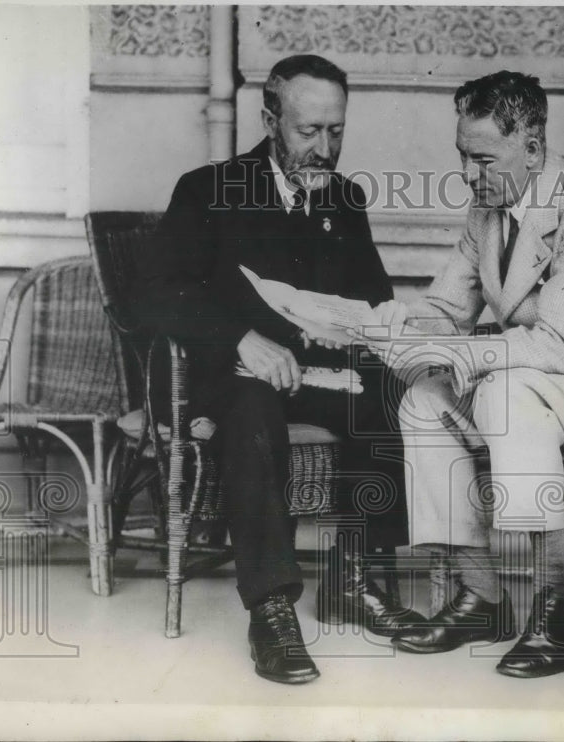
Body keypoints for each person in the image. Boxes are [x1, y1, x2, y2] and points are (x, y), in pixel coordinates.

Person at [355, 71, 564, 679]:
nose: (467, 173)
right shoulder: (488, 206)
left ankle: (555, 611)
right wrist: (391, 327)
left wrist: (468, 355)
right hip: (557, 380)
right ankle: (479, 596)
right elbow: (449, 310)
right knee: (423, 401)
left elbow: (562, 343)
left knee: (508, 395)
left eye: (482, 158)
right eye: (462, 155)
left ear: (534, 149)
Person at [136, 54, 422, 685]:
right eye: (307, 131)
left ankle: (355, 578)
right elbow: (153, 293)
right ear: (270, 119)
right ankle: (270, 608)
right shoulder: (208, 189)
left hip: (319, 373)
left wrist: (378, 332)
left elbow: (371, 297)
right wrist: (241, 337)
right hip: (228, 373)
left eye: (336, 131)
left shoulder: (344, 199)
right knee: (253, 405)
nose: (324, 148)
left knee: (387, 393)